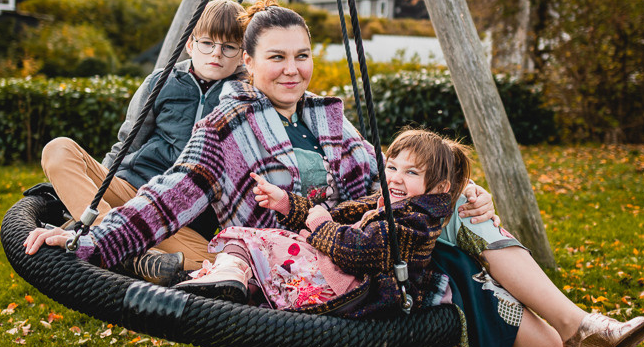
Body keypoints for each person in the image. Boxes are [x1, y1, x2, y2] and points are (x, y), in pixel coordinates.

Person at [24, 0, 644, 347]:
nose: (293, 70)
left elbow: (382, 180)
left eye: (302, 56)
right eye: (276, 58)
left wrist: (450, 192)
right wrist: (83, 238)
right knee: (470, 275)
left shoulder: (330, 117)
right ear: (249, 64)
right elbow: (165, 196)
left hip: (365, 244)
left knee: (473, 259)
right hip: (305, 265)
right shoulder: (226, 127)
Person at [38, 0, 246, 280]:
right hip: (130, 189)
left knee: (219, 265)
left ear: (243, 53)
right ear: (190, 44)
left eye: (229, 47)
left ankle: (121, 249)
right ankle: (103, 236)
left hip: (174, 217)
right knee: (59, 148)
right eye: (207, 43)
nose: (216, 54)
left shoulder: (245, 96)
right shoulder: (161, 81)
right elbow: (127, 144)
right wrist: (87, 187)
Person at [176, 129, 472, 319]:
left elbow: (359, 250)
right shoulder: (385, 202)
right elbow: (335, 214)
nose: (394, 177)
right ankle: (232, 282)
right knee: (267, 245)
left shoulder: (416, 221)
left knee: (259, 239)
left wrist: (320, 227)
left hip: (360, 293)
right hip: (344, 280)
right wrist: (286, 203)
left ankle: (227, 274)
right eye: (392, 167)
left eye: (411, 173)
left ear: (439, 187)